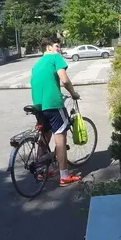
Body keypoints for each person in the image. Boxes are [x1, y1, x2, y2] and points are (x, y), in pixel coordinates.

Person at [30, 38, 81, 186]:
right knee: (60, 138)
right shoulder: (55, 58)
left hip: (38, 105)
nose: (59, 49)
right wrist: (73, 93)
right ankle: (64, 176)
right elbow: (64, 80)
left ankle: (41, 171)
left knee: (45, 135)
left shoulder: (36, 64)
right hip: (53, 104)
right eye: (57, 46)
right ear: (48, 47)